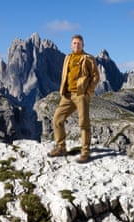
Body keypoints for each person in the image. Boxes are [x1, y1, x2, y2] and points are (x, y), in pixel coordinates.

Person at [47, 34, 100, 163]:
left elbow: (95, 76)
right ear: (71, 45)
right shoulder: (68, 58)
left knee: (83, 123)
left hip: (81, 95)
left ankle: (85, 152)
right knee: (57, 119)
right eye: (74, 43)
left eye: (79, 43)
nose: (76, 45)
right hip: (67, 95)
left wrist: (88, 93)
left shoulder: (88, 58)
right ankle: (61, 148)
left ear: (83, 45)